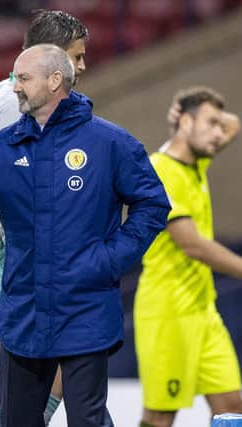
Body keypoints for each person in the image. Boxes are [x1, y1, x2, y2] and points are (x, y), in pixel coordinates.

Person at [0, 44, 170, 426]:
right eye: (14, 78)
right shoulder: (1, 148)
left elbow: (153, 205)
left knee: (87, 420)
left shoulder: (111, 143)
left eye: (23, 78)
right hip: (23, 311)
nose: (15, 88)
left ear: (55, 80)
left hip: (85, 309)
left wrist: (110, 259)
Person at [0, 10, 88, 427]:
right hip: (4, 262)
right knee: (0, 387)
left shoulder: (3, 93)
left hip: (10, 261)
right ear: (52, 59)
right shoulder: (19, 104)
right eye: (77, 56)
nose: (82, 66)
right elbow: (6, 189)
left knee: (56, 369)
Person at [135, 86, 242, 427]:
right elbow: (192, 245)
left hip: (203, 311)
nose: (217, 133)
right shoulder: (159, 169)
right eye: (209, 123)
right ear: (184, 123)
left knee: (232, 407)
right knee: (160, 417)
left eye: (216, 124)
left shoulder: (195, 162)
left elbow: (233, 124)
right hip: (167, 312)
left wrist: (199, 113)